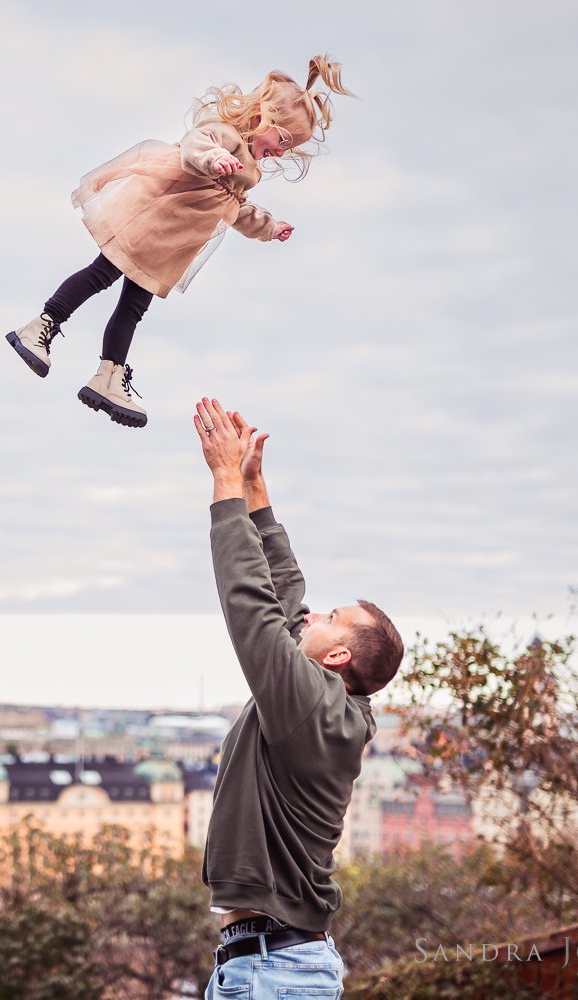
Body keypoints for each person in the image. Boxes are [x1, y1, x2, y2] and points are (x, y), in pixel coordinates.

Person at [5, 56, 352, 429]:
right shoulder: (224, 137)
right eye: (283, 139)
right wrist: (213, 157)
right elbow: (194, 145)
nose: (283, 151)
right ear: (261, 119)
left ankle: (108, 375)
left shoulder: (248, 172)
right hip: (150, 220)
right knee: (101, 274)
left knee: (134, 307)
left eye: (290, 147)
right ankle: (40, 326)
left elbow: (238, 210)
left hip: (168, 244)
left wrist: (269, 227)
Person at [192, 395, 403, 999]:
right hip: (260, 966)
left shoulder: (312, 706)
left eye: (332, 617)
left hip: (275, 973)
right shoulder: (325, 703)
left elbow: (255, 610)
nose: (314, 614)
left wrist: (225, 483)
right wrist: (257, 492)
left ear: (337, 656)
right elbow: (285, 595)